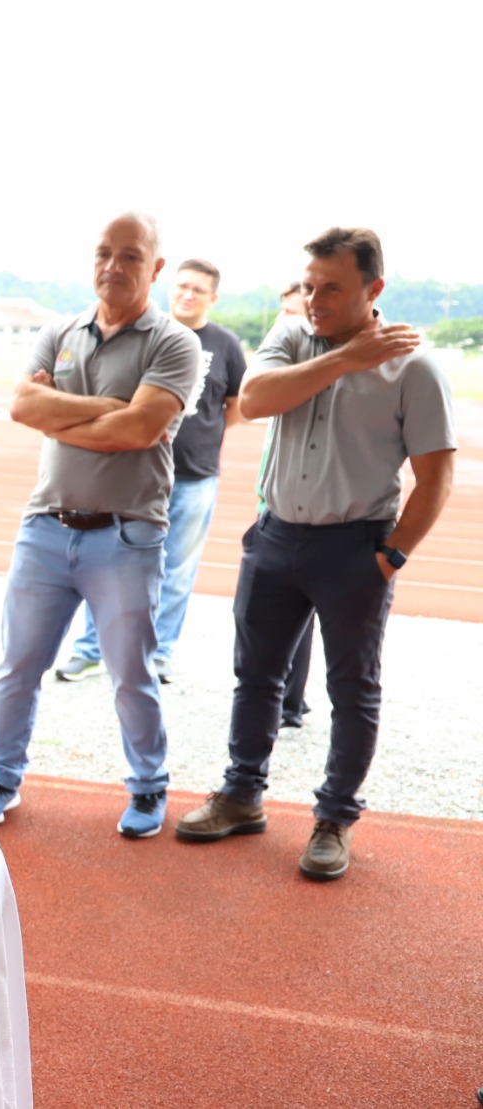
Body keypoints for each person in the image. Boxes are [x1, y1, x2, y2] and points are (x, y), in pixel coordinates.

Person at [175, 227, 455, 881]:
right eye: (309, 285)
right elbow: (260, 400)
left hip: (354, 547)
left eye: (332, 287)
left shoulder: (414, 365)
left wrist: (391, 557)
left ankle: (334, 818)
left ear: (373, 288)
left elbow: (437, 476)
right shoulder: (290, 338)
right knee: (257, 676)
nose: (315, 298)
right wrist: (343, 359)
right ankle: (242, 795)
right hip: (275, 538)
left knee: (352, 689)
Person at [0, 213, 201, 838]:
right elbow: (21, 405)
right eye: (104, 253)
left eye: (130, 256)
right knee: (18, 665)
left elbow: (140, 429)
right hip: (47, 526)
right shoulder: (58, 331)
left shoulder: (174, 343)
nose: (113, 266)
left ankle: (149, 787)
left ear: (155, 267)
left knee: (131, 671)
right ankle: (0, 777)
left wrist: (61, 413)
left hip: (127, 536)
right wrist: (107, 410)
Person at [54, 259, 248, 684]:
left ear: (213, 297)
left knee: (176, 568)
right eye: (181, 286)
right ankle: (92, 649)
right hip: (132, 471)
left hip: (195, 476)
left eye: (198, 289)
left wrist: (202, 436)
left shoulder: (227, 345)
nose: (187, 295)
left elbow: (234, 409)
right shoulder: (147, 337)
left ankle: (158, 654)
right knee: (107, 561)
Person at [273, 280, 316, 729]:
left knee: (302, 617)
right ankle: (282, 700)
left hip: (321, 522)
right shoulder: (276, 363)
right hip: (273, 510)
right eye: (283, 312)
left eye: (297, 313)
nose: (288, 322)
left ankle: (290, 702)